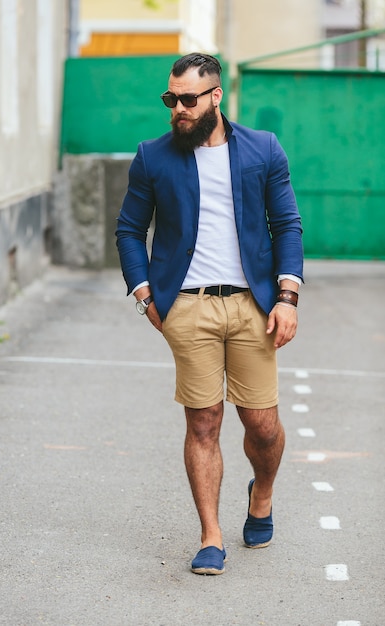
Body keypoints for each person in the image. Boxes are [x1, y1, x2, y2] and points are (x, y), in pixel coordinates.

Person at [116, 53, 303, 575]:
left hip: (252, 306)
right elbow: (130, 229)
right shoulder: (153, 157)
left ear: (215, 97)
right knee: (203, 422)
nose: (177, 108)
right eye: (170, 99)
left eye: (188, 99)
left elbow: (287, 224)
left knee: (262, 426)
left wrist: (287, 297)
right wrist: (146, 296)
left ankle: (261, 491)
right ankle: (211, 535)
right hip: (187, 308)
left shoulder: (263, 149)